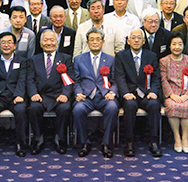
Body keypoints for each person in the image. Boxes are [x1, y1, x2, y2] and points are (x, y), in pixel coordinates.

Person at [114, 29, 163, 157]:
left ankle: (154, 142)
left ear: (144, 41)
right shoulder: (121, 56)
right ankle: (129, 142)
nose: (136, 40)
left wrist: (153, 92)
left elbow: (156, 77)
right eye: (133, 38)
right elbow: (119, 77)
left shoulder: (151, 56)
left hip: (147, 93)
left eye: (139, 38)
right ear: (128, 41)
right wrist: (125, 93)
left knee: (154, 105)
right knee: (130, 106)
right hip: (130, 93)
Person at [0, 31, 30, 158]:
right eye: (3, 43)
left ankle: (20, 145)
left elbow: (22, 79)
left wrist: (19, 95)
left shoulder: (23, 61)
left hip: (16, 96)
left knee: (21, 110)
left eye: (9, 42)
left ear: (15, 46)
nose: (6, 45)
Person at [73, 27, 119, 158]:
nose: (95, 42)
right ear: (87, 42)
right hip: (86, 97)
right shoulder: (79, 59)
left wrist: (112, 93)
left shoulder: (111, 59)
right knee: (78, 110)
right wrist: (78, 93)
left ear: (103, 42)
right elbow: (76, 81)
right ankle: (84, 143)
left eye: (98, 39)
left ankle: (106, 144)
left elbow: (115, 80)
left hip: (104, 96)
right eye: (91, 39)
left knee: (112, 108)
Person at [27, 30, 74, 155]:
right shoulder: (33, 60)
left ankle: (60, 139)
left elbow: (69, 80)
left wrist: (65, 94)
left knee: (65, 108)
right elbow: (30, 80)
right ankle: (38, 139)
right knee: (34, 108)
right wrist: (33, 93)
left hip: (58, 95)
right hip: (40, 95)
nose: (49, 43)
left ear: (57, 42)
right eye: (46, 40)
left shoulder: (66, 58)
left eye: (52, 40)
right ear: (40, 43)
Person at [160, 32, 188, 153]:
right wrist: (171, 95)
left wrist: (186, 95)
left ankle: (185, 138)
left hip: (187, 93)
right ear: (169, 46)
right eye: (174, 44)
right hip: (171, 94)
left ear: (184, 45)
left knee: (186, 106)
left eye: (180, 44)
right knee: (172, 106)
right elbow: (164, 80)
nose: (177, 47)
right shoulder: (164, 61)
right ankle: (177, 137)